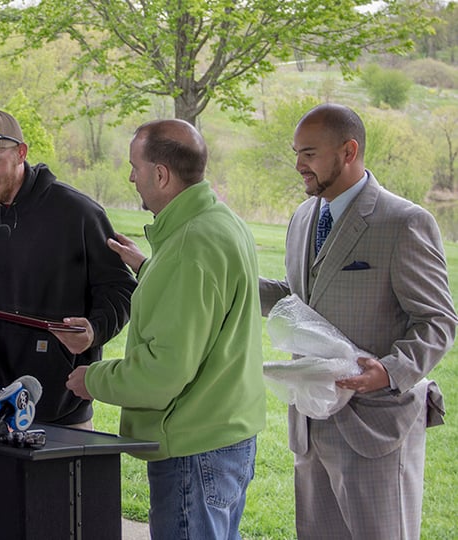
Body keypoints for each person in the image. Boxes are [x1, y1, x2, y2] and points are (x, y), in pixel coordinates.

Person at [259, 103, 457, 539]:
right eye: (296, 153)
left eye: (308, 154)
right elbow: (298, 298)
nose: (298, 165)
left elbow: (438, 320)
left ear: (348, 151)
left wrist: (390, 370)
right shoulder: (302, 217)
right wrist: (221, 284)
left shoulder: (403, 222)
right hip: (310, 424)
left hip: (375, 428)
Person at [66, 119, 266, 539]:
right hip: (227, 436)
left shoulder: (189, 247)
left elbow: (162, 375)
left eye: (135, 167)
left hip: (194, 450)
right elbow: (206, 305)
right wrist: (150, 267)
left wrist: (92, 378)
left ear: (161, 174)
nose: (131, 178)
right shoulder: (220, 222)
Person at [0, 109, 136, 428]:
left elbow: (120, 288)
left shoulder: (79, 214)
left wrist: (94, 330)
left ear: (20, 153)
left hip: (62, 409)